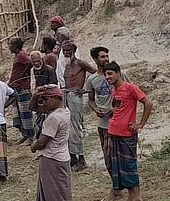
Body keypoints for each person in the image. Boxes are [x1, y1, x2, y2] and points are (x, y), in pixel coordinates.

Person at [103, 62, 152, 201]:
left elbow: (148, 103)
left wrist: (140, 124)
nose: (108, 77)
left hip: (126, 134)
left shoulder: (130, 88)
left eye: (110, 74)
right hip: (114, 132)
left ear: (118, 73)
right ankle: (130, 196)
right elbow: (118, 108)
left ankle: (137, 198)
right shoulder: (115, 91)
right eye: (106, 74)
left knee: (129, 165)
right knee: (118, 165)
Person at [30, 86, 72, 201]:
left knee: (53, 195)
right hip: (62, 157)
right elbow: (33, 107)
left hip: (52, 159)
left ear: (56, 99)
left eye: (47, 99)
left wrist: (33, 147)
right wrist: (37, 95)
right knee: (61, 193)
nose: (44, 102)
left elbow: (42, 142)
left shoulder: (54, 118)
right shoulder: (64, 111)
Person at [60, 41, 95, 171]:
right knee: (67, 127)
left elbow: (95, 74)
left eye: (68, 51)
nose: (66, 53)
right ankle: (72, 157)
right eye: (64, 51)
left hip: (75, 96)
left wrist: (85, 89)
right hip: (66, 95)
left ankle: (81, 159)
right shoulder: (66, 65)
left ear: (73, 51)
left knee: (76, 127)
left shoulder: (80, 63)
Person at [85, 46, 117, 184]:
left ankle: (119, 183)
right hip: (102, 121)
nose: (106, 59)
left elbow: (128, 93)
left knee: (114, 153)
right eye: (102, 57)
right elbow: (91, 100)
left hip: (117, 120)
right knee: (106, 154)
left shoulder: (117, 74)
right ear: (95, 59)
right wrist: (95, 109)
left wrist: (116, 109)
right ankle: (114, 183)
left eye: (107, 56)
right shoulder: (92, 80)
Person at [8, 38, 34, 144]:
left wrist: (24, 73)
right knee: (18, 113)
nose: (9, 46)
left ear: (15, 45)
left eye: (10, 44)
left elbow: (30, 62)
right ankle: (24, 134)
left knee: (25, 113)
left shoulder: (21, 55)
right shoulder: (18, 56)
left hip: (22, 87)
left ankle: (30, 137)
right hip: (17, 87)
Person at [29, 50, 58, 139]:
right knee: (39, 122)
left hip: (49, 100)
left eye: (38, 61)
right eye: (33, 62)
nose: (36, 63)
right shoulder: (33, 70)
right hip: (38, 99)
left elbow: (54, 85)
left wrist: (44, 89)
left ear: (42, 59)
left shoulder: (49, 69)